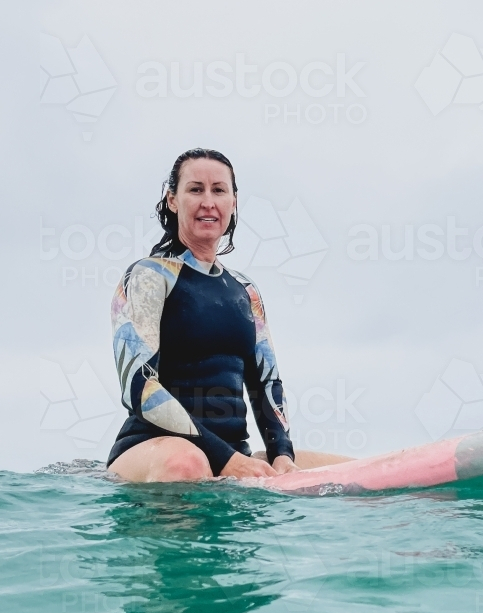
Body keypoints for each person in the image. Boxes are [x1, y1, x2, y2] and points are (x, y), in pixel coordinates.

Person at [107, 148, 349, 482]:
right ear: (173, 200)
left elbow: (267, 383)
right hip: (153, 448)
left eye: (219, 190)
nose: (208, 201)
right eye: (195, 189)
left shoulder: (246, 290)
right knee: (189, 464)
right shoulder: (150, 277)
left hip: (233, 455)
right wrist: (226, 459)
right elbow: (139, 387)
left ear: (233, 202)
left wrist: (282, 456)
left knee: (343, 469)